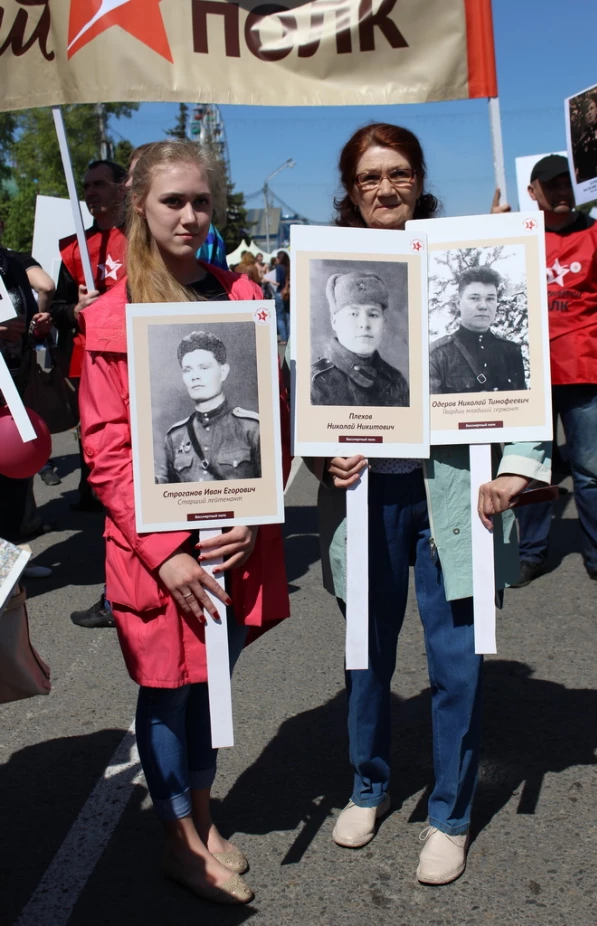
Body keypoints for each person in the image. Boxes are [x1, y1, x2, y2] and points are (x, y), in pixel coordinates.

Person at [309, 123, 551, 885]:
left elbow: (525, 380)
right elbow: (299, 392)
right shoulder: (324, 266)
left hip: (452, 490)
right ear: (350, 189)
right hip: (367, 497)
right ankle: (369, 785)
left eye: (401, 174)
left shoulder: (460, 257)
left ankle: (450, 812)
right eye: (371, 177)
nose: (387, 188)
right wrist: (322, 452)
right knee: (366, 659)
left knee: (457, 665)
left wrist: (517, 468)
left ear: (420, 180)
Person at [78, 139, 290, 904]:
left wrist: (260, 519)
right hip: (155, 551)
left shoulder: (240, 298)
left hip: (232, 544)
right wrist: (166, 551)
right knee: (168, 688)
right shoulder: (111, 315)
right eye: (174, 201)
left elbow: (275, 419)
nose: (191, 215)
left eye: (201, 201)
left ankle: (203, 813)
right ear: (140, 204)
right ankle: (178, 837)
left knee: (210, 683)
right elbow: (104, 449)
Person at [493, 154, 597, 588]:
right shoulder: (517, 236)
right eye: (552, 186)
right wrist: (492, 233)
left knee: (590, 470)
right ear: (533, 193)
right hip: (529, 374)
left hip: (583, 366)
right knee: (528, 469)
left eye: (568, 184)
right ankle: (530, 552)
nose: (562, 193)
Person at [50, 159, 127, 513]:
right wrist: (75, 310)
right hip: (88, 354)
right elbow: (56, 308)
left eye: (99, 184)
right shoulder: (72, 248)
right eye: (87, 186)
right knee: (96, 427)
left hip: (133, 349)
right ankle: (93, 486)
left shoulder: (143, 239)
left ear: (121, 188)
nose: (91, 192)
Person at [0, 246, 53, 550]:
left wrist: (38, 328)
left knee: (14, 482)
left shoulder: (12, 264)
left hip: (17, 383)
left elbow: (29, 322)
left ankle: (11, 560)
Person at [156, 330, 261, 484]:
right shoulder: (175, 437)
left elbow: (269, 490)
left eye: (204, 368)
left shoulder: (251, 428)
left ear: (223, 372)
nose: (195, 376)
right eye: (187, 370)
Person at [311, 269, 409, 406]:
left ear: (384, 323)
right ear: (334, 321)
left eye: (373, 315)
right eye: (353, 314)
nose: (364, 325)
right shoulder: (314, 384)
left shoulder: (396, 380)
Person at [429, 266, 527, 394]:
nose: (483, 306)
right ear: (459, 304)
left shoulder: (510, 352)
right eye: (474, 298)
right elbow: (434, 410)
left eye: (490, 298)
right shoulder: (438, 355)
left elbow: (522, 407)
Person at [275, 250, 290, 343]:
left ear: (279, 258)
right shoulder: (290, 267)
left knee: (280, 317)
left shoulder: (279, 268)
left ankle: (284, 339)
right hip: (289, 293)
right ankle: (290, 338)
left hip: (280, 292)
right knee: (289, 316)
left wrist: (267, 279)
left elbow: (278, 282)